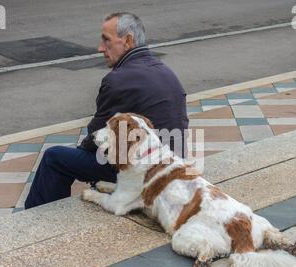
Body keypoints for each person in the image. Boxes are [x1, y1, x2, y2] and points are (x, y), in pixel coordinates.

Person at [25, 12, 188, 209]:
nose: (100, 48)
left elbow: (94, 139)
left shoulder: (118, 80)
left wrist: (81, 161)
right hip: (173, 167)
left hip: (143, 175)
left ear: (128, 41)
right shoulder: (165, 71)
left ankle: (38, 218)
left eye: (106, 40)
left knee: (54, 157)